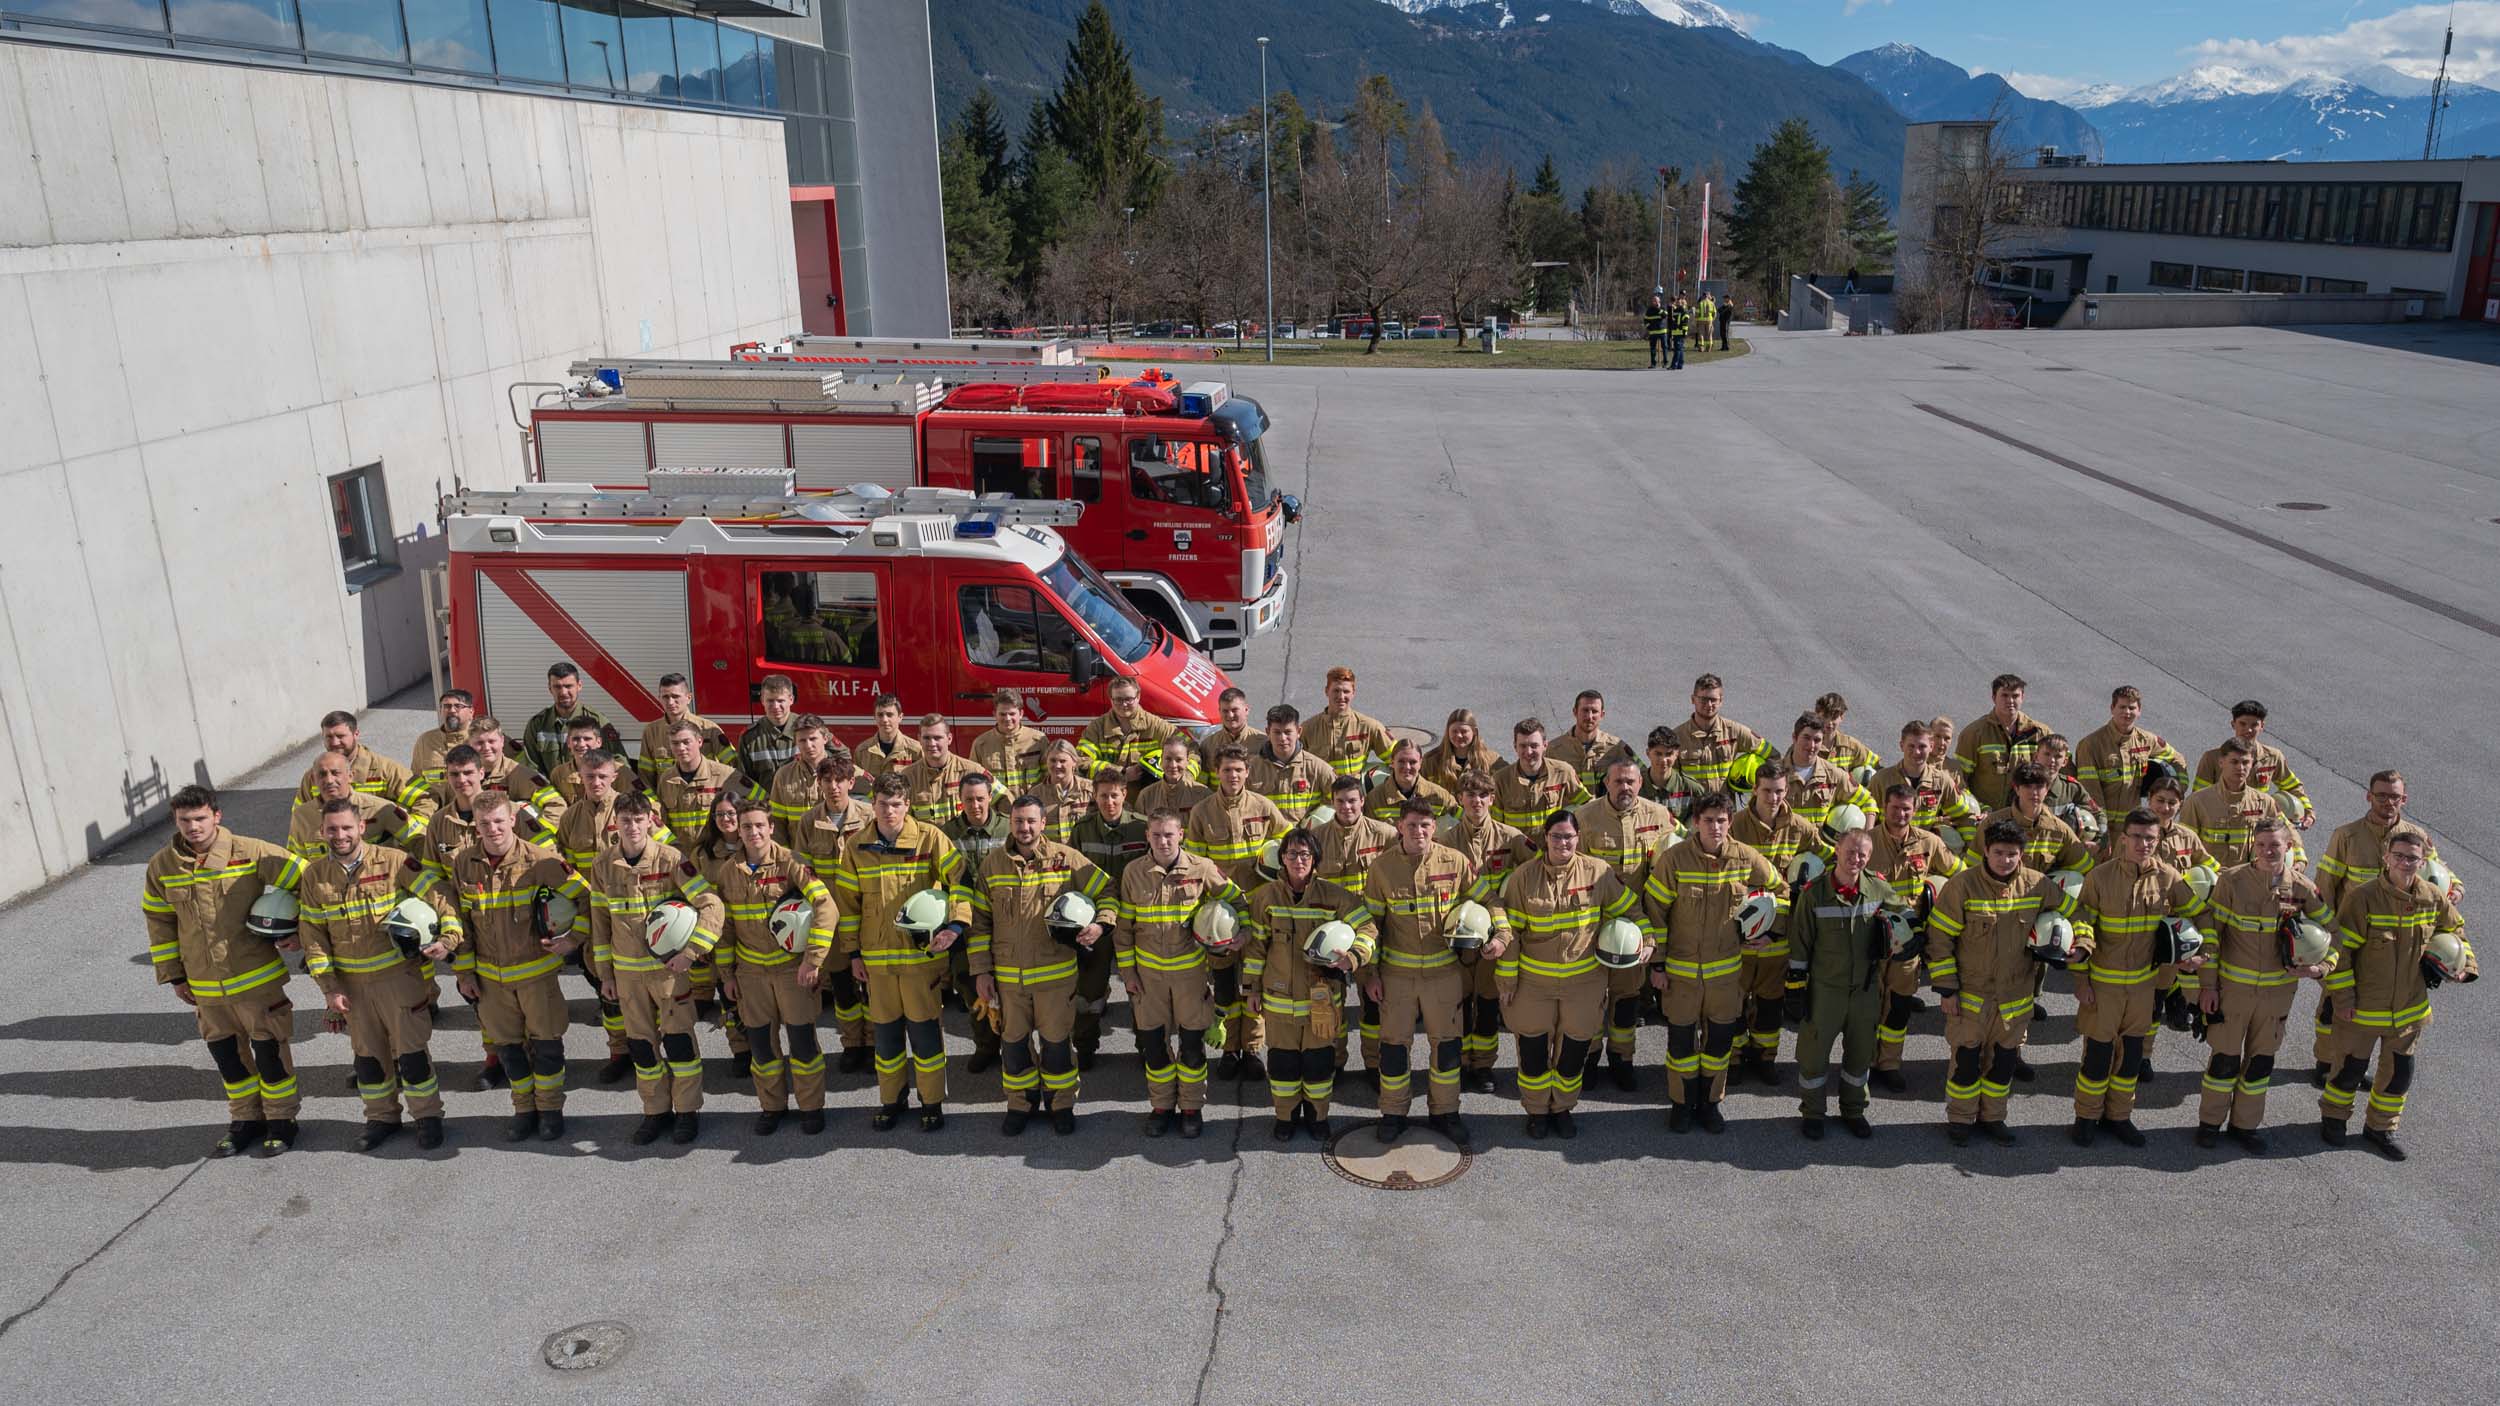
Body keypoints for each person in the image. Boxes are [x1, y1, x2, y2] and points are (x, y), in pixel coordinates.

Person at [142, 785, 307, 1159]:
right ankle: (246, 1121)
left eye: (200, 818)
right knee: (228, 1058)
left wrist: (296, 929)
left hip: (256, 980)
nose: (193, 827)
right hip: (205, 987)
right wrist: (175, 975)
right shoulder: (163, 866)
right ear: (176, 821)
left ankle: (282, 1121)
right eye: (185, 820)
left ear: (217, 816)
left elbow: (308, 879)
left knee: (269, 1053)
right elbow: (160, 921)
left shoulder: (250, 852)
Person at [296, 798, 452, 1151]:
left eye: (347, 827)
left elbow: (439, 896)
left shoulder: (396, 862)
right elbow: (313, 936)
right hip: (352, 987)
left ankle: (427, 1117)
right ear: (322, 832)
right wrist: (329, 989)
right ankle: (381, 1118)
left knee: (412, 1056)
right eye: (332, 829)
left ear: (361, 827)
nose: (340, 835)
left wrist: (448, 938)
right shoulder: (314, 876)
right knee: (368, 1060)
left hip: (399, 980)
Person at [827, 772, 971, 1132]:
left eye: (896, 804)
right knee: (887, 1038)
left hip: (921, 961)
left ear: (907, 805)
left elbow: (961, 882)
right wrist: (854, 955)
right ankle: (891, 1100)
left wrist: (955, 926)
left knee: (925, 1036)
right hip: (876, 962)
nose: (889, 811)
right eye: (881, 804)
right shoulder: (857, 846)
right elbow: (847, 905)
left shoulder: (929, 838)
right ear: (871, 804)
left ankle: (932, 1102)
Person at [2319, 826, 2472, 1160]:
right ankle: (2333, 1119)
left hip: (2410, 1011)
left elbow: (2456, 931)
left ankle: (2381, 1128)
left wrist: (2466, 967)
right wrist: (2342, 1000)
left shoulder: (2432, 897)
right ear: (2386, 858)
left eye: (2412, 858)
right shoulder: (2363, 898)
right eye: (2399, 856)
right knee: (2348, 1070)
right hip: (2363, 1010)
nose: (2405, 863)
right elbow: (2340, 955)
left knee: (2398, 1076)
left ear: (2422, 861)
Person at [447, 791, 592, 1143]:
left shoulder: (542, 861)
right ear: (475, 827)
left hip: (535, 976)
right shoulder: (463, 864)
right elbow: (462, 922)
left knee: (547, 1047)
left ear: (512, 819)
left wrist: (574, 940)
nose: (493, 829)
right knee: (509, 1050)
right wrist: (464, 973)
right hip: (491, 981)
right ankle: (523, 1110)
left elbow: (588, 898)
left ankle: (551, 1111)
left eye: (499, 821)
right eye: (484, 824)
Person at [962, 795, 1111, 1135]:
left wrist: (1099, 925)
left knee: (1057, 1045)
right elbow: (980, 922)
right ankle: (1020, 1104)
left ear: (1044, 823)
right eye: (1018, 821)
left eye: (1031, 821)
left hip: (1055, 978)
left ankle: (1060, 1105)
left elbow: (1107, 891)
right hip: (1008, 980)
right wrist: (981, 971)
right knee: (1013, 1045)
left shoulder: (1066, 860)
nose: (1025, 828)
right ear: (1010, 823)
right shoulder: (993, 865)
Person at [1484, 810, 1636, 1139]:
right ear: (1545, 839)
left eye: (1568, 836)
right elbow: (1510, 932)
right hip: (1533, 984)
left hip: (1583, 983)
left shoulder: (1598, 872)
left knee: (1572, 1053)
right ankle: (1537, 1111)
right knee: (1534, 1053)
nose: (1562, 842)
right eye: (1556, 836)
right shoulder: (1523, 877)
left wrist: (1647, 940)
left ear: (1578, 839)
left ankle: (1563, 1108)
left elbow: (1629, 908)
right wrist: (1507, 980)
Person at [1641, 792, 1782, 1134]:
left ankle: (1710, 1104)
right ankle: (1681, 1105)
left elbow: (1781, 891)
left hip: (1725, 975)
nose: (1715, 827)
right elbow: (1655, 912)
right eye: (1708, 820)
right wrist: (1657, 966)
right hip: (1681, 974)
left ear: (1730, 822)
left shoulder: (1746, 858)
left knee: (1718, 1046)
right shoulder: (1674, 860)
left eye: (1721, 820)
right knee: (1682, 1046)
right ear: (1695, 822)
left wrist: (1772, 931)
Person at [2067, 807, 2209, 1148]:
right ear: (2123, 839)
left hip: (2144, 987)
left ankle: (2119, 1117)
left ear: (2158, 840)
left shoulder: (2170, 879)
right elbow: (2082, 925)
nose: (2143, 844)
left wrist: (2198, 955)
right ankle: (2086, 1118)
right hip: (2103, 985)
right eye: (2137, 837)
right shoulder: (2099, 878)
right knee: (2098, 1058)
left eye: (2150, 838)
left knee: (2131, 1058)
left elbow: (2200, 916)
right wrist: (2081, 980)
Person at [2310, 769, 2457, 1087]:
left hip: (2392, 940)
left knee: (2373, 1012)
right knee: (2333, 1005)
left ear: (2404, 799)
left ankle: (2351, 1063)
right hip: (2350, 935)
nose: (2388, 802)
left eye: (2394, 796)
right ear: (2369, 796)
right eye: (2381, 795)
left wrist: (2454, 887)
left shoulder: (2415, 835)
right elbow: (2326, 886)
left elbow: (2438, 870)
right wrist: (2329, 935)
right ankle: (2325, 1060)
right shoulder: (2346, 836)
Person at [2196, 815, 2331, 1151]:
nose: (2269, 851)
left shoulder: (2303, 888)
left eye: (2276, 845)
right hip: (2233, 992)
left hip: (2276, 996)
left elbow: (2336, 932)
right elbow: (2212, 937)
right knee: (2224, 1061)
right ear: (2252, 847)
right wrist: (2208, 986)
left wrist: (2323, 967)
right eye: (2262, 845)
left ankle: (2245, 1126)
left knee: (2260, 1063)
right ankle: (2209, 1124)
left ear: (2288, 847)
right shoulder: (2231, 882)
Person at [1925, 819, 2062, 1145]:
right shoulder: (1962, 886)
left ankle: (1993, 1118)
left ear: (2022, 855)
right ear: (1985, 851)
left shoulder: (2037, 884)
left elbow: (2073, 912)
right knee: (1966, 1064)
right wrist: (1946, 988)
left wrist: (2071, 941)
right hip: (1971, 997)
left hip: (2014, 998)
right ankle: (1960, 1120)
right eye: (1998, 852)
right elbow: (1940, 937)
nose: (2005, 860)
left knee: (2003, 1065)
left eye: (2012, 854)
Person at [1114, 809, 1249, 1138]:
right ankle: (1161, 1107)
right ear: (1147, 836)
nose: (1163, 841)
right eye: (1156, 834)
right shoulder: (1134, 872)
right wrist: (1128, 973)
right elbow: (1124, 929)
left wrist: (1240, 933)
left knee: (1191, 1047)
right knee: (1155, 1048)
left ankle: (1191, 1108)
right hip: (1148, 980)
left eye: (1169, 834)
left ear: (1181, 835)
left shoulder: (1201, 868)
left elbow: (1238, 900)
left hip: (1190, 977)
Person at [1360, 799, 1485, 1145]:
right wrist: (1371, 972)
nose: (1419, 832)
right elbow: (1371, 924)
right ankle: (1393, 1113)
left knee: (1446, 1048)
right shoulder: (1381, 868)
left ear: (1435, 828)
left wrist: (1499, 934)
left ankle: (1445, 1111)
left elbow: (1486, 901)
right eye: (1412, 825)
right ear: (1400, 826)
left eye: (1426, 826)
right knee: (1394, 1049)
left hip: (1443, 974)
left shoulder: (1455, 862)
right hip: (1397, 976)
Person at [713, 800, 837, 1136]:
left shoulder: (791, 862)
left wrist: (812, 960)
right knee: (762, 1046)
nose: (753, 832)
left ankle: (811, 1107)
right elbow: (724, 929)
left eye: (759, 826)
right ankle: (772, 1106)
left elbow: (826, 905)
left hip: (790, 971)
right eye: (746, 827)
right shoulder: (728, 871)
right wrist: (726, 977)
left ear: (771, 828)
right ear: (737, 831)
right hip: (751, 974)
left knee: (802, 1043)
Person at [1244, 829, 1376, 1141]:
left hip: (1322, 999)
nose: (1298, 860)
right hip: (1278, 1001)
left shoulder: (1335, 897)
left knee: (1318, 1065)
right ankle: (1285, 1118)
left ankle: (1318, 1117)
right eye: (1292, 854)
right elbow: (1255, 949)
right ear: (1282, 858)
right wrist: (1250, 989)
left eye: (1305, 855)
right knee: (1283, 1065)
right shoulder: (1265, 899)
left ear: (1315, 860)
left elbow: (1368, 927)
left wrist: (1353, 958)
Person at [1788, 828, 1902, 1140]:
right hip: (1825, 991)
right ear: (1837, 850)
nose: (1855, 859)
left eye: (1862, 854)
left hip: (1865, 991)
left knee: (1860, 1056)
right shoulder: (1814, 894)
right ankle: (1812, 1113)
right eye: (1850, 851)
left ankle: (1854, 1110)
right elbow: (1799, 945)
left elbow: (1904, 914)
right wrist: (1795, 988)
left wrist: (1907, 933)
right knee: (1814, 1056)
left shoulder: (1878, 888)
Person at [1575, 756, 1680, 1086]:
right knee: (1591, 1000)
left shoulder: (1660, 816)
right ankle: (1588, 1061)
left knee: (1626, 1000)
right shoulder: (1584, 817)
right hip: (1591, 925)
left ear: (1640, 784)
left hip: (1635, 925)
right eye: (1618, 781)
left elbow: (1678, 853)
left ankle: (1622, 1060)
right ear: (1606, 783)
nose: (1625, 787)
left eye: (1631, 782)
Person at [1187, 746, 1288, 1079]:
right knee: (1226, 983)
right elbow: (1196, 865)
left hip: (1259, 909)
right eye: (1226, 769)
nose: (1232, 775)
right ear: (1217, 772)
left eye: (1238, 770)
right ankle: (1231, 1050)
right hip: (1221, 913)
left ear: (1248, 773)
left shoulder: (1263, 807)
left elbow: (1287, 840)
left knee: (1254, 980)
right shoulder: (1201, 813)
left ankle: (1254, 1050)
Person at [552, 749, 648, 1082]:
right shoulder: (570, 818)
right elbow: (562, 866)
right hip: (591, 915)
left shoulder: (633, 810)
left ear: (614, 776)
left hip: (632, 915)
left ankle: (646, 1050)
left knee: (639, 991)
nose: (596, 782)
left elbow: (662, 855)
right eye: (589, 776)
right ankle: (619, 1051)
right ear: (579, 775)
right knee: (605, 988)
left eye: (602, 776)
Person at [1730, 766, 1824, 1084]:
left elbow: (1824, 864)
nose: (1774, 797)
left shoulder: (1800, 828)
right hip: (1741, 933)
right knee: (1735, 1000)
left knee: (1771, 1003)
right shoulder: (1733, 826)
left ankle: (1766, 1057)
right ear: (1755, 790)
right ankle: (1735, 1058)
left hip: (1779, 936)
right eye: (1768, 790)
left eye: (1780, 791)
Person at [1867, 782, 1961, 1090]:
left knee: (1898, 1006)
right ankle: (1863, 1064)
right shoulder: (1866, 842)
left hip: (1909, 942)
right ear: (1884, 807)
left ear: (1915, 810)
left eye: (1907, 809)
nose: (1901, 814)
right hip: (1871, 937)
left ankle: (1889, 1064)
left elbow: (1960, 875)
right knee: (1867, 1005)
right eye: (1895, 808)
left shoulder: (1929, 843)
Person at [790, 751, 874, 1073]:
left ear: (851, 782)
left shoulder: (867, 816)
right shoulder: (809, 821)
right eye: (827, 780)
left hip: (865, 915)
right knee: (842, 987)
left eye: (840, 780)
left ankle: (874, 1044)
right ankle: (852, 1044)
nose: (834, 786)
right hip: (832, 921)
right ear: (819, 784)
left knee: (870, 987)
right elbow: (802, 867)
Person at [1447, 768, 1529, 1090]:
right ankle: (1462, 1061)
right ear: (1460, 800)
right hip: (1460, 935)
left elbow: (1535, 867)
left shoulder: (1512, 838)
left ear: (1492, 799)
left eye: (1483, 795)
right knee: (1460, 1001)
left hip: (1496, 933)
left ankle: (1483, 1066)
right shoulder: (1447, 839)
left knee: (1488, 1000)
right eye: (1470, 795)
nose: (1477, 801)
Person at [1069, 771, 1150, 1069]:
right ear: (1094, 796)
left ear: (1124, 794)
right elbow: (1072, 875)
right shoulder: (1083, 830)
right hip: (1095, 925)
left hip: (1134, 923)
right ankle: (1086, 1047)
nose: (1109, 801)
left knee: (1139, 990)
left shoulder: (1141, 827)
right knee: (1088, 992)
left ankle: (1146, 1046)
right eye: (1103, 795)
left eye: (1114, 795)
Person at [942, 771, 1011, 1074]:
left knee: (1010, 991)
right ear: (960, 800)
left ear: (989, 799)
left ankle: (1012, 1046)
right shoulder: (945, 834)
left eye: (980, 799)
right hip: (964, 925)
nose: (975, 805)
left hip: (1005, 923)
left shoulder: (1010, 829)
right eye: (968, 799)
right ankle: (985, 1046)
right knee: (972, 990)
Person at [2192, 700, 2315, 829]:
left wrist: (2308, 812)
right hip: (2224, 826)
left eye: (2254, 725)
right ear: (2233, 724)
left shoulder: (2273, 757)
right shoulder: (2212, 758)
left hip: (2259, 828)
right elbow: (2199, 797)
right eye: (2242, 724)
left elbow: (2292, 786)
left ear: (2262, 726)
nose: (2248, 730)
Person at [1868, 718, 1983, 847]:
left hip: (1924, 854)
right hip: (1888, 850)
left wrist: (1969, 848)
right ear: (1901, 746)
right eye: (1911, 746)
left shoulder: (1942, 781)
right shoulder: (1881, 780)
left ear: (1931, 747)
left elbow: (1964, 816)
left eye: (1922, 746)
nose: (1917, 752)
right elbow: (1868, 815)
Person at [287, 751, 423, 859]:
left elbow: (420, 842)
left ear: (350, 776)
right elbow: (297, 860)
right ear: (313, 780)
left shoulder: (381, 808)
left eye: (335, 773)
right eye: (322, 774)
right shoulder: (301, 816)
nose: (329, 780)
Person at [2074, 685, 2182, 819]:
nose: (2127, 712)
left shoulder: (2146, 740)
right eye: (2122, 707)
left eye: (2132, 708)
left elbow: (2177, 759)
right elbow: (2090, 791)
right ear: (2112, 708)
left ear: (2139, 710)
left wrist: (2176, 791)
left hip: (2135, 824)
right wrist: (2100, 826)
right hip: (2106, 824)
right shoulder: (2091, 745)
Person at [295, 709, 430, 815]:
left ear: (356, 734)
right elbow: (300, 815)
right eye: (329, 737)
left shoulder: (385, 769)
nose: (335, 743)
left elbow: (425, 798)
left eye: (340, 736)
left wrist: (411, 832)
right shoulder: (312, 777)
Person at [1955, 674, 2048, 811]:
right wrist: (1977, 808)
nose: (2010, 701)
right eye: (2004, 695)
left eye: (2015, 696)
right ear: (1993, 698)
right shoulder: (1974, 733)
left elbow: (2058, 773)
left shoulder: (2040, 733)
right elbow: (1960, 780)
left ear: (2023, 697)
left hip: (2025, 815)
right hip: (1986, 815)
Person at [1671, 674, 1775, 796]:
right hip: (1692, 812)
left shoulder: (1734, 731)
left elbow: (1773, 756)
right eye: (1703, 699)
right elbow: (1669, 778)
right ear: (1693, 699)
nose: (1709, 705)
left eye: (1713, 699)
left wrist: (1761, 791)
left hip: (1725, 812)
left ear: (1721, 701)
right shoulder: (1677, 737)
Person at [520, 661, 620, 777]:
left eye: (568, 686)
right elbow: (531, 768)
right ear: (550, 688)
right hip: (552, 792)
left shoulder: (598, 721)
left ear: (579, 686)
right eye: (557, 687)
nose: (563, 692)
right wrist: (551, 793)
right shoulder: (537, 725)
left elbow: (619, 761)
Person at [636, 673, 732, 791]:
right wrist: (654, 805)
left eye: (675, 696)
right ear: (659, 698)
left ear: (688, 698)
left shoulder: (708, 729)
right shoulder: (651, 732)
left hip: (706, 800)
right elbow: (645, 776)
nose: (670, 702)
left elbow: (733, 766)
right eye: (665, 697)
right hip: (669, 803)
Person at [1492, 717, 1589, 832]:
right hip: (1517, 849)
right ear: (1515, 747)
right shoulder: (1500, 780)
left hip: (1552, 848)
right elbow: (1495, 825)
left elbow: (1587, 805)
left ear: (1545, 746)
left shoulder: (1563, 772)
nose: (1528, 752)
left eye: (1534, 746)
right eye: (1523, 746)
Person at [1078, 676, 1179, 787]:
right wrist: (1120, 773)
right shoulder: (1096, 728)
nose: (1124, 704)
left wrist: (1184, 779)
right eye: (1118, 700)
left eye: (1129, 699)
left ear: (1138, 697)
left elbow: (1191, 751)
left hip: (1147, 800)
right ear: (1111, 699)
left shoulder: (1157, 726)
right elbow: (1081, 763)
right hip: (1110, 800)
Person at [1304, 665, 1397, 784]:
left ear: (1353, 693)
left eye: (1346, 691)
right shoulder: (1309, 728)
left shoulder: (1368, 726)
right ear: (1326, 691)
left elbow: (1399, 758)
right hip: (1322, 799)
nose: (1341, 697)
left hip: (1354, 798)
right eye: (1336, 690)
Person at [1251, 703, 1337, 823]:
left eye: (1287, 732)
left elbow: (1339, 801)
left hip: (1305, 839)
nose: (1282, 738)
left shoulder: (1318, 769)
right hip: (1268, 839)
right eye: (1277, 732)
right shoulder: (1250, 770)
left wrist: (1317, 822)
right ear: (1267, 732)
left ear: (1298, 731)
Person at [765, 715, 836, 840]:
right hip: (797, 853)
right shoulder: (783, 775)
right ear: (795, 742)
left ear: (825, 739)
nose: (808, 745)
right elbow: (777, 822)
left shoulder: (842, 772)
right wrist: (784, 855)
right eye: (802, 740)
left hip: (833, 854)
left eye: (813, 739)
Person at [969, 689, 1051, 796]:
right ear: (994, 714)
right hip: (996, 810)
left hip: (1032, 808)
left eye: (1012, 714)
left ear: (1021, 714)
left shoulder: (1038, 740)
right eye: (1002, 714)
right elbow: (974, 782)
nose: (1007, 718)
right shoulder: (981, 744)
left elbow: (1049, 777)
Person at [1551, 689, 1635, 787]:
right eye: (1585, 710)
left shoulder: (1617, 747)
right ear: (1575, 712)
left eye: (1594, 711)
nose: (1589, 716)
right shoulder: (1554, 749)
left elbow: (1641, 777)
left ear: (1602, 714)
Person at [732, 674, 801, 789]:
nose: (775, 706)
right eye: (770, 700)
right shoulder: (749, 738)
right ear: (762, 700)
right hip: (766, 805)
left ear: (791, 700)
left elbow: (840, 756)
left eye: (780, 700)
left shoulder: (808, 728)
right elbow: (744, 781)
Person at [1366, 739, 1456, 822]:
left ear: (1420, 763)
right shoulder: (1375, 798)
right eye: (1401, 761)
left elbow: (1462, 822)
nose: (1407, 767)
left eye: (1413, 762)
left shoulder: (1440, 796)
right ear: (1392, 762)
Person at [1422, 708, 1501, 796]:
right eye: (1454, 731)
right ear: (1447, 732)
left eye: (1464, 731)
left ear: (1474, 731)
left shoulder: (1492, 760)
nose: (1459, 735)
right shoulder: (1431, 760)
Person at [410, 687, 476, 788]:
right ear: (441, 711)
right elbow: (416, 779)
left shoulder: (482, 739)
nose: (452, 710)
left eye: (458, 706)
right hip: (435, 803)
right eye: (447, 706)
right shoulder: (426, 740)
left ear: (471, 711)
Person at [854, 693, 923, 779]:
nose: (884, 720)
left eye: (889, 715)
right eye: (880, 715)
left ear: (900, 717)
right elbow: (857, 786)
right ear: (874, 717)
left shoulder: (916, 750)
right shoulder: (862, 752)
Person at [1196, 687, 1259, 776]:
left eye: (1234, 710)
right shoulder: (1208, 745)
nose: (1230, 715)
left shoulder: (1262, 743)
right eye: (1225, 711)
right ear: (1219, 711)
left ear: (1246, 709)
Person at [1642, 293, 1669, 369]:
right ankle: (1653, 363)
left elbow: (1665, 316)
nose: (1655, 302)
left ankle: (1665, 362)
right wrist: (1649, 327)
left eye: (1656, 301)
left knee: (1665, 347)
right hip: (1653, 332)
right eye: (1653, 301)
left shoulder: (1663, 308)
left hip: (1662, 331)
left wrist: (1659, 309)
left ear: (1659, 301)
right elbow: (1645, 320)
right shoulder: (1649, 310)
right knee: (1652, 348)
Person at [1668, 294, 1691, 370]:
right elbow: (1673, 321)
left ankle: (1674, 365)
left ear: (1682, 303)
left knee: (1677, 349)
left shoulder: (1684, 311)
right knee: (1680, 349)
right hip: (1676, 332)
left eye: (1678, 301)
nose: (1676, 302)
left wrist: (1684, 332)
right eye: (1677, 301)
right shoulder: (1675, 310)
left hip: (1680, 332)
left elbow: (1685, 323)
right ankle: (1680, 365)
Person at [1695, 293, 1719, 362]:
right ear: (1707, 296)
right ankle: (1709, 348)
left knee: (1701, 334)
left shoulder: (1700, 303)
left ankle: (1701, 347)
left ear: (1703, 296)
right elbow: (1715, 313)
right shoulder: (1711, 303)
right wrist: (1712, 319)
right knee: (1709, 334)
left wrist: (1696, 320)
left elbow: (1697, 313)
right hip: (1709, 320)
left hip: (1701, 320)